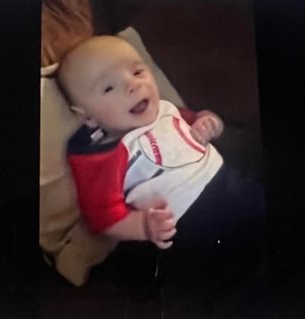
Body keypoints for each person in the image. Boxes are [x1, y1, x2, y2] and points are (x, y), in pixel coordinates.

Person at [57, 36, 265, 297]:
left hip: (231, 182)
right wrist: (143, 226)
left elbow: (198, 121)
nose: (133, 85)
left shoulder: (166, 110)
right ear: (87, 115)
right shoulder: (103, 154)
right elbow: (103, 217)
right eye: (109, 88)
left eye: (137, 71)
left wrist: (209, 122)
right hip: (191, 221)